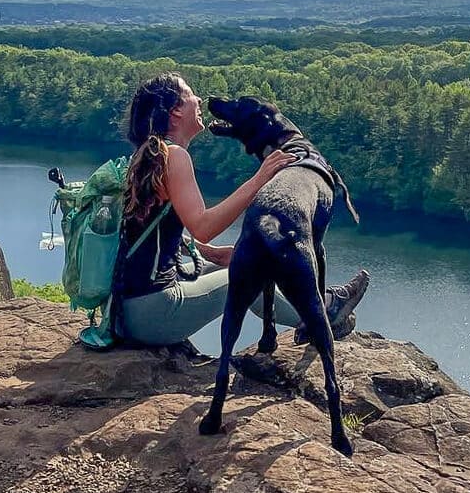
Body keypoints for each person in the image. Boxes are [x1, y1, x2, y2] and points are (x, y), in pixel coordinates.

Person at [116, 71, 370, 347]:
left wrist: (210, 253)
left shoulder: (149, 153)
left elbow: (153, 229)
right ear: (175, 112)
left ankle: (317, 307)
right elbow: (202, 225)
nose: (199, 99)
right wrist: (259, 180)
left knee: (241, 260)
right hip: (154, 314)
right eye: (190, 95)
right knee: (252, 272)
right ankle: (323, 313)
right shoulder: (174, 156)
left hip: (129, 310)